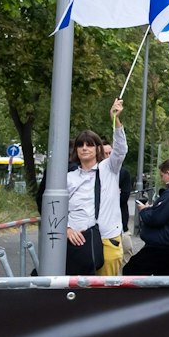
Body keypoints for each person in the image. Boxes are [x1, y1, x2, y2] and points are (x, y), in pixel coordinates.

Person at [64, 99, 128, 277]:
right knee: (80, 294)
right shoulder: (69, 178)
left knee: (106, 294)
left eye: (89, 144)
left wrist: (115, 119)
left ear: (98, 147)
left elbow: (121, 150)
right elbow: (57, 210)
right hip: (78, 242)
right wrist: (67, 229)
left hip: (107, 238)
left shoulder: (109, 168)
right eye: (80, 145)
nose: (84, 148)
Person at [123, 158, 169, 276]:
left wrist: (144, 211)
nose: (161, 179)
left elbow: (156, 218)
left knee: (131, 271)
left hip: (164, 246)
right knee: (167, 279)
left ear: (168, 174)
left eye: (162, 175)